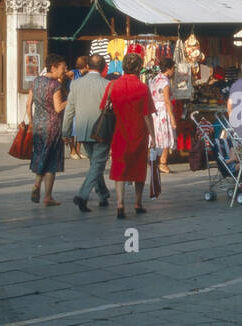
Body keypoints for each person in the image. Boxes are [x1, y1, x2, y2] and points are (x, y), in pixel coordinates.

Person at [106, 52, 156, 218]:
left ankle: (120, 204)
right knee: (139, 168)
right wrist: (153, 137)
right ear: (139, 68)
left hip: (119, 133)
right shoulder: (142, 88)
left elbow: (104, 108)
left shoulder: (113, 86)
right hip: (139, 133)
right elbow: (147, 115)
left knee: (119, 168)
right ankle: (137, 202)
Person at [63, 55, 110, 213]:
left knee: (95, 163)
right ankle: (82, 195)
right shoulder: (107, 85)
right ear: (104, 67)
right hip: (102, 130)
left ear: (88, 66)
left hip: (83, 129)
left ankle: (103, 194)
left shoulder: (76, 84)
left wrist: (66, 130)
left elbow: (70, 110)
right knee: (97, 164)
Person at [26, 54, 68, 206]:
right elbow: (58, 108)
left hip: (38, 125)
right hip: (52, 126)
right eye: (62, 68)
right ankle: (47, 195)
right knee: (52, 159)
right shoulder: (55, 86)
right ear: (53, 67)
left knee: (40, 154)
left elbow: (28, 104)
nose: (64, 71)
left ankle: (38, 185)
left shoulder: (36, 81)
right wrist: (69, 101)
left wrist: (31, 122)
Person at [150, 57, 177, 173]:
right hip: (162, 110)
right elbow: (167, 101)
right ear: (168, 69)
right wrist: (172, 118)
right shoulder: (165, 82)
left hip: (153, 109)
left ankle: (152, 160)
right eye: (173, 68)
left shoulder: (153, 79)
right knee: (166, 134)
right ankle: (163, 162)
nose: (174, 71)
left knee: (154, 135)